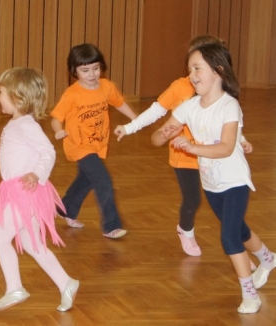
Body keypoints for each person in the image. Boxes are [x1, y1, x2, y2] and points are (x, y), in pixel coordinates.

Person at [150, 43, 275, 314]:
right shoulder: (189, 107)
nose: (192, 75)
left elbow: (227, 147)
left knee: (229, 237)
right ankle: (268, 258)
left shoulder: (230, 106)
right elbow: (156, 139)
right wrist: (165, 133)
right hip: (212, 182)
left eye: (197, 68)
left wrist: (192, 148)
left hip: (235, 180)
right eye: (189, 70)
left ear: (218, 71)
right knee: (239, 229)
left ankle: (249, 294)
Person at [113, 35, 253, 258]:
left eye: (199, 66)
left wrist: (242, 140)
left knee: (228, 212)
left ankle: (242, 252)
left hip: (213, 159)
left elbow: (229, 125)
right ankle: (186, 230)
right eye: (192, 66)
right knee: (192, 199)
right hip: (184, 155)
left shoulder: (224, 97)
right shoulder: (180, 88)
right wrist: (129, 128)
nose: (194, 73)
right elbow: (156, 111)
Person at [0, 67, 79, 312]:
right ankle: (66, 282)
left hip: (25, 193)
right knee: (32, 244)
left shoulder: (26, 126)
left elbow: (48, 151)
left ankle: (15, 288)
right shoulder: (16, 123)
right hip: (20, 191)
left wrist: (36, 174)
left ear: (18, 98)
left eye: (2, 93)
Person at [51, 43, 137, 238]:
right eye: (85, 70)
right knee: (103, 181)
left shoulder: (106, 87)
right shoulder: (72, 94)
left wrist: (135, 119)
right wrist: (59, 131)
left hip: (98, 142)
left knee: (86, 179)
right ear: (74, 71)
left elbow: (119, 103)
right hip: (79, 145)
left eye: (95, 68)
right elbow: (56, 118)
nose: (91, 74)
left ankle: (65, 209)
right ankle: (111, 225)